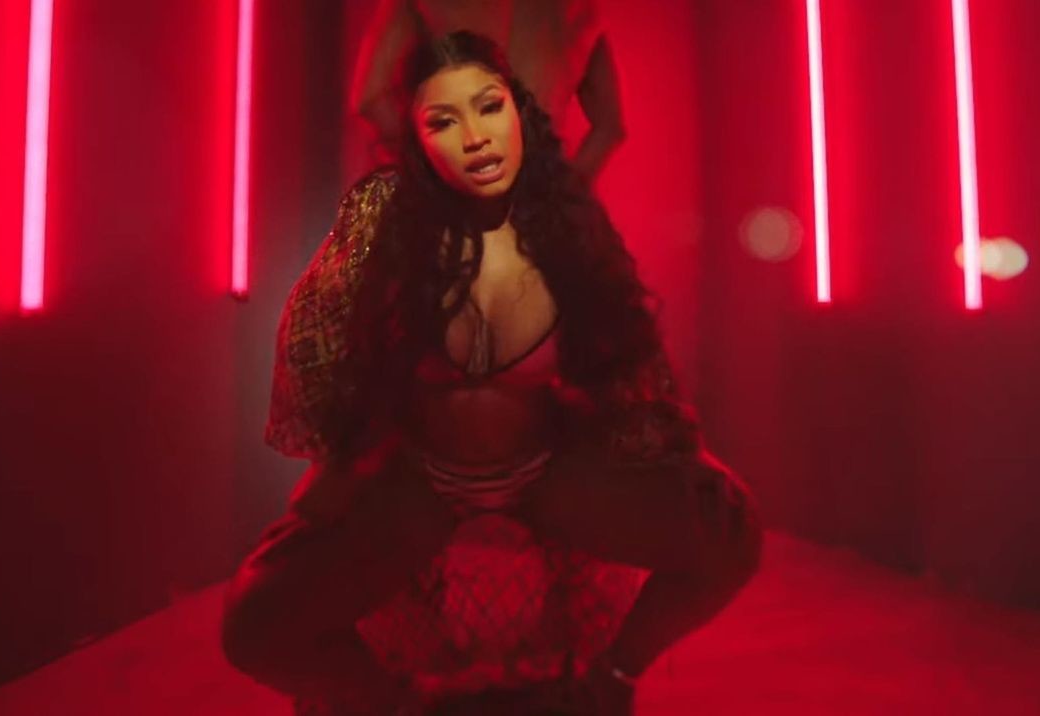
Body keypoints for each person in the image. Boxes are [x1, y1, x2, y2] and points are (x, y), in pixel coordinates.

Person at [219, 31, 761, 715]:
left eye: (489, 107)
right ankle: (396, 707)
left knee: (730, 534)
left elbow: (630, 348)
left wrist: (669, 446)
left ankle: (610, 681)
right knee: (254, 622)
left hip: (548, 469)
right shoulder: (381, 213)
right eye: (443, 121)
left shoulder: (566, 215)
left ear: (517, 111)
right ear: (418, 140)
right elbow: (323, 342)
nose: (475, 138)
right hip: (421, 476)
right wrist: (339, 463)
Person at [351, 0, 626, 182]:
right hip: (536, 205)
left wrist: (433, 168)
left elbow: (371, 99)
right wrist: (562, 196)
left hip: (454, 205)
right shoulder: (576, 7)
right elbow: (610, 127)